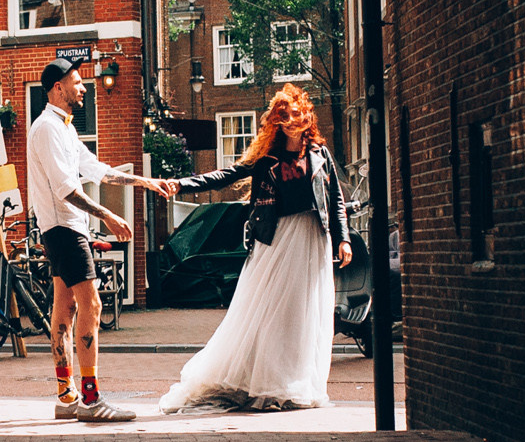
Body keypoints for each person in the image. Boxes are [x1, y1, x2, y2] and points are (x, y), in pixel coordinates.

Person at [158, 83, 354, 412]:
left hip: (314, 241)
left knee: (306, 316)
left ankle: (295, 383)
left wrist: (344, 238)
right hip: (278, 240)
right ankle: (265, 381)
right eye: (283, 115)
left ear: (305, 115)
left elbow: (336, 201)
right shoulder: (267, 159)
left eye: (294, 113)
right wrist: (182, 184)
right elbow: (226, 174)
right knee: (273, 314)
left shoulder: (320, 154)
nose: (290, 119)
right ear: (276, 121)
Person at [24, 58, 174, 422]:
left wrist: (145, 182)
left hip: (60, 229)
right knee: (91, 308)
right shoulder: (47, 129)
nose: (83, 87)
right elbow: (65, 190)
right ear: (58, 88)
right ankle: (91, 401)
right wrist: (106, 215)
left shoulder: (63, 128)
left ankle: (67, 397)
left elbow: (96, 170)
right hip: (65, 229)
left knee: (65, 311)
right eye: (76, 82)